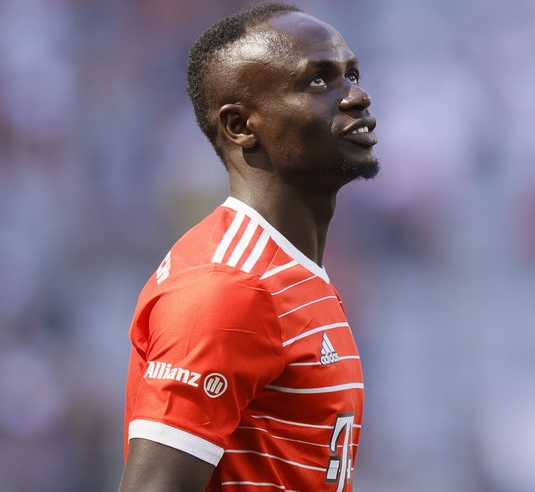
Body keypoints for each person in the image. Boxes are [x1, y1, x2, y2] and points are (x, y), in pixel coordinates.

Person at [118, 3, 378, 491]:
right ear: (240, 126)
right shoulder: (227, 288)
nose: (357, 97)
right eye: (320, 81)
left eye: (352, 74)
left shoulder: (291, 275)